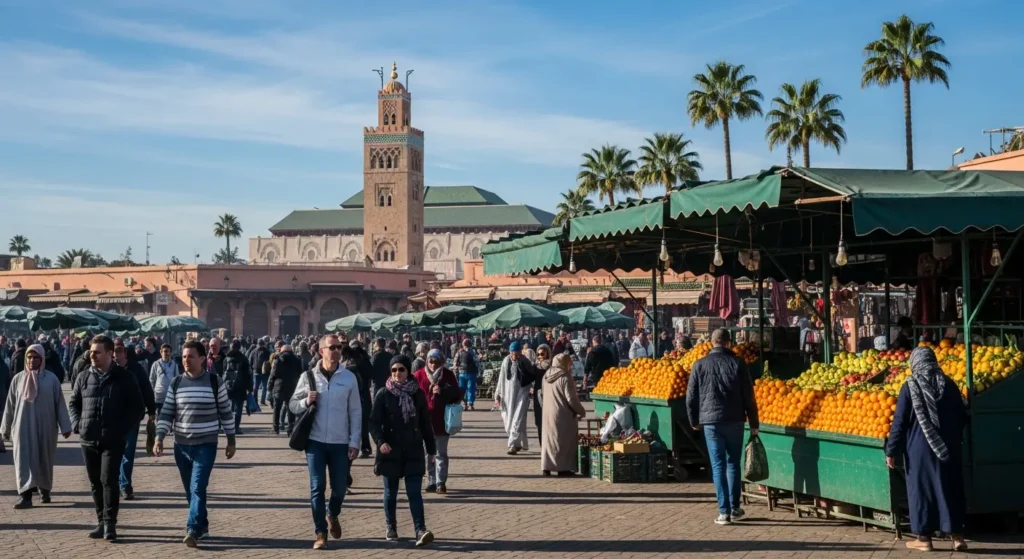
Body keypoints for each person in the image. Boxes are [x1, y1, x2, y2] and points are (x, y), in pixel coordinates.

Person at [154, 340, 236, 548]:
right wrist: (159, 437)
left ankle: (192, 528)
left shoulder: (215, 382)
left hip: (206, 444)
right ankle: (203, 524)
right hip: (181, 445)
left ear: (202, 358)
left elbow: (226, 412)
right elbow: (167, 412)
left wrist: (231, 440)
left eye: (191, 356)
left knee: (198, 487)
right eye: (183, 357)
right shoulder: (176, 383)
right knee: (191, 490)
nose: (186, 360)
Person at [886, 347, 968, 552]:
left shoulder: (910, 386)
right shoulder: (949, 385)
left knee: (922, 492)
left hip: (920, 451)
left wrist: (891, 450)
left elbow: (899, 423)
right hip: (948, 448)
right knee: (950, 488)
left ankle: (924, 539)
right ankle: (957, 537)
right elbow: (963, 417)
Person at [288, 334, 361, 550]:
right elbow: (292, 404)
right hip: (315, 442)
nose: (337, 350)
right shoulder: (308, 377)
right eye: (332, 347)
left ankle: (333, 513)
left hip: (340, 442)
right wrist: (305, 401)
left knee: (339, 488)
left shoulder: (349, 378)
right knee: (317, 487)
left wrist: (355, 441)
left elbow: (356, 411)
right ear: (321, 351)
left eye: (339, 347)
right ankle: (320, 532)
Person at [69, 335, 144, 541]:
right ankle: (101, 521)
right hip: (88, 438)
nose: (92, 355)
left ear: (110, 354)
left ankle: (111, 524)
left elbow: (137, 408)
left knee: (109, 480)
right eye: (91, 352)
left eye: (97, 352)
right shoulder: (84, 376)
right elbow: (73, 403)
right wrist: (77, 424)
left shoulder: (124, 377)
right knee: (95, 482)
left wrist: (121, 429)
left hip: (113, 439)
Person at [685, 329, 758, 525]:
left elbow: (691, 396)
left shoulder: (699, 364)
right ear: (728, 343)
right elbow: (748, 396)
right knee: (733, 463)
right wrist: (754, 423)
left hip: (710, 422)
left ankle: (724, 512)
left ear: (712, 342)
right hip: (735, 420)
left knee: (718, 466)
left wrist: (693, 420)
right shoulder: (738, 363)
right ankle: (734, 508)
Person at [369, 354, 436, 546]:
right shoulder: (383, 393)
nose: (397, 373)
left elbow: (425, 423)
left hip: (413, 449)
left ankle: (420, 530)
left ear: (408, 371)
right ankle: (391, 526)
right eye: (394, 370)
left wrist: (431, 450)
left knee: (414, 492)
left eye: (401, 369)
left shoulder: (418, 394)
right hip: (390, 450)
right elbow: (373, 423)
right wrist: (380, 441)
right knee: (390, 492)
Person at [1, 344, 72, 509]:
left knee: (44, 459)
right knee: (23, 460)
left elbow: (60, 404)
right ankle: (25, 495)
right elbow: (10, 405)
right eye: (29, 357)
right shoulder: (18, 379)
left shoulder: (51, 379)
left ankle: (45, 488)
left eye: (36, 357)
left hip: (45, 427)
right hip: (22, 427)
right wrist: (5, 429)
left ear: (42, 359)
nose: (32, 361)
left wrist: (66, 427)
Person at [413, 349, 461, 494]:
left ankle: (441, 482)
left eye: (436, 361)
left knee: (441, 452)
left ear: (441, 362)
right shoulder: (418, 375)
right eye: (430, 361)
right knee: (428, 452)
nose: (433, 365)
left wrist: (442, 391)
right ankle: (431, 480)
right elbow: (412, 396)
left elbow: (457, 395)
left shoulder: (447, 375)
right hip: (424, 421)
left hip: (442, 420)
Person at [115, 341, 157, 501]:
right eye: (113, 351)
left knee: (128, 452)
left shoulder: (136, 369)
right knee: (113, 453)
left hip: (132, 417)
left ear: (125, 353)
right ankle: (115, 484)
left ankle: (125, 485)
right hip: (112, 418)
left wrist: (151, 410)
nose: (115, 355)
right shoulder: (108, 369)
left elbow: (146, 389)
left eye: (119, 351)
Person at [540, 353, 586, 476]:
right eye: (569, 363)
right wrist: (581, 411)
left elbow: (542, 394)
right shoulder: (566, 377)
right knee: (562, 441)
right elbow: (571, 399)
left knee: (549, 440)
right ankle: (562, 468)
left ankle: (546, 466)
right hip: (562, 414)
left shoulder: (546, 375)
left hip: (547, 413)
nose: (570, 366)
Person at [495, 341, 534, 455]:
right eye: (512, 352)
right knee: (508, 421)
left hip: (521, 393)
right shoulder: (506, 361)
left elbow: (530, 376)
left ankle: (512, 445)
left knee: (518, 419)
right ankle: (517, 443)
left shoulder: (525, 361)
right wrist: (498, 395)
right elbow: (501, 378)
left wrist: (531, 388)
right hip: (507, 395)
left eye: (516, 352)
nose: (514, 355)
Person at [346, 340, 374, 457]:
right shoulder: (365, 359)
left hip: (356, 394)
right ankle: (365, 447)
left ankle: (355, 446)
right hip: (364, 395)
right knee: (363, 422)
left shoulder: (348, 361)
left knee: (352, 421)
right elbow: (371, 374)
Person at [268, 344, 302, 435]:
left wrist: (269, 387)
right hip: (292, 386)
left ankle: (275, 428)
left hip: (279, 386)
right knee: (290, 408)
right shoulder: (297, 360)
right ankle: (290, 428)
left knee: (277, 408)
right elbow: (300, 373)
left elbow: (273, 374)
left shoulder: (278, 360)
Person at [222, 340, 252, 435]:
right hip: (240, 386)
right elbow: (248, 375)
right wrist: (250, 388)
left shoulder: (226, 358)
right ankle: (236, 428)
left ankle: (228, 427)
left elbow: (223, 372)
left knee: (229, 407)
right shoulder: (243, 358)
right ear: (239, 347)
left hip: (228, 386)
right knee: (238, 409)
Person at [150, 344, 180, 415]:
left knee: (170, 416)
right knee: (160, 416)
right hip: (159, 395)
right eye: (165, 351)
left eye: (169, 352)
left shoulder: (174, 364)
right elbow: (152, 379)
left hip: (170, 395)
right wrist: (154, 390)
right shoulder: (156, 364)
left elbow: (177, 379)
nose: (167, 354)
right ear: (161, 352)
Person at [532, 345, 552, 446]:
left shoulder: (551, 367)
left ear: (547, 354)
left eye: (542, 354)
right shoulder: (535, 367)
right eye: (538, 354)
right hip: (537, 395)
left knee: (549, 420)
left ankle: (548, 443)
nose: (540, 356)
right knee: (539, 421)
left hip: (549, 395)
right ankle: (542, 444)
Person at [453, 339, 480, 411]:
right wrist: (478, 372)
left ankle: (464, 403)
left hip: (461, 373)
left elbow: (455, 363)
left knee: (462, 389)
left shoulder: (459, 352)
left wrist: (456, 371)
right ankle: (470, 404)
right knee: (471, 388)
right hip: (471, 373)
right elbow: (477, 362)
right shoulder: (472, 352)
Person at [249, 339, 271, 406]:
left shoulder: (254, 351)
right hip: (265, 371)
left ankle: (255, 400)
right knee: (264, 386)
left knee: (255, 387)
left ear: (257, 344)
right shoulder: (267, 351)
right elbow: (270, 360)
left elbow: (250, 360)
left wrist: (252, 368)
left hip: (256, 371)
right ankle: (262, 400)